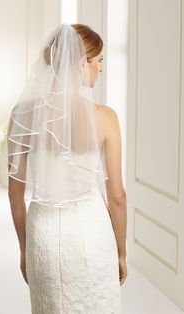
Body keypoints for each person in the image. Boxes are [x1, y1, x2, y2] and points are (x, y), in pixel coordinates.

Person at [7, 23, 127, 313]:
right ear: (78, 63)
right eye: (98, 61)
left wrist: (25, 249)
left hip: (43, 236)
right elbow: (117, 197)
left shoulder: (23, 114)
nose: (101, 68)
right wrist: (121, 253)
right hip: (91, 233)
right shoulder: (106, 117)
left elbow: (14, 191)